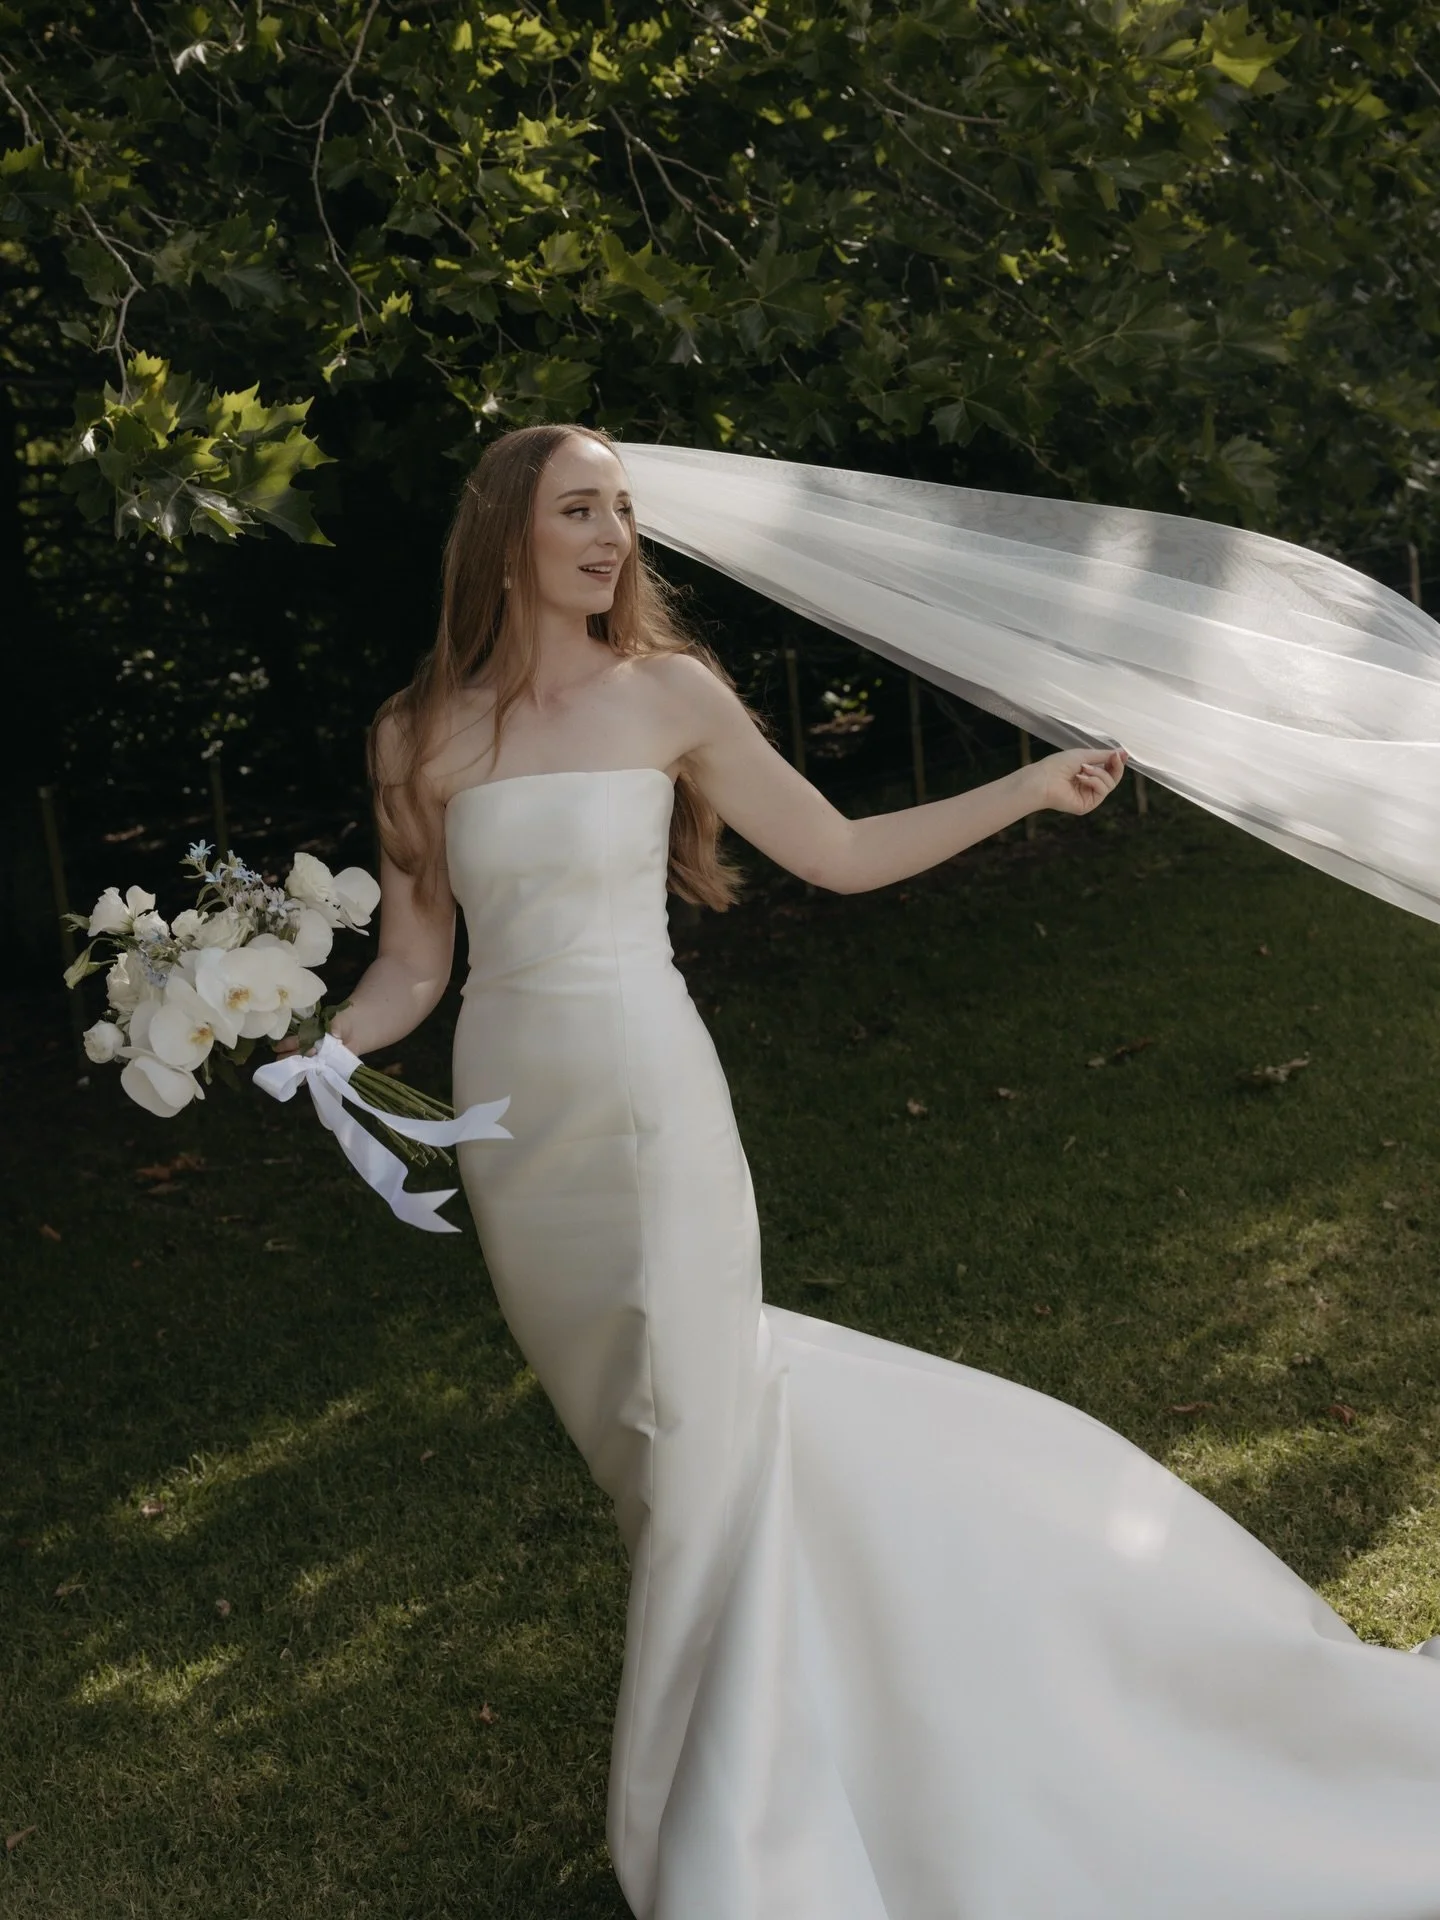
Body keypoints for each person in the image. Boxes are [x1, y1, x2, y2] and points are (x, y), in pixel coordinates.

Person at [281, 424, 1440, 1920]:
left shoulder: (670, 694)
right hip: (515, 1136)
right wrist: (319, 1043)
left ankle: (746, 1834)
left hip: (647, 1106)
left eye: (623, 514)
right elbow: (418, 959)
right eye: (580, 511)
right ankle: (798, 1746)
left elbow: (831, 852)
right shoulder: (419, 731)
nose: (613, 539)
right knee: (647, 1464)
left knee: (699, 1433)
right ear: (500, 530)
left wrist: (1023, 795)